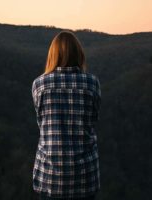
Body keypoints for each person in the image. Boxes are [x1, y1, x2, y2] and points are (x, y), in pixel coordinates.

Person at [31, 30, 101, 200]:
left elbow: (42, 124)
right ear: (79, 54)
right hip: (85, 177)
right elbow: (93, 120)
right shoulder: (92, 83)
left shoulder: (39, 84)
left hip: (49, 178)